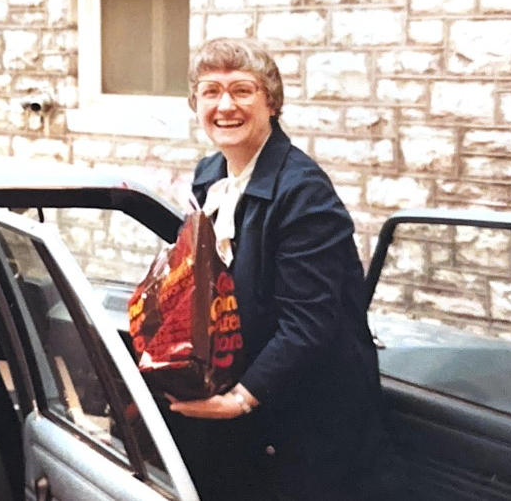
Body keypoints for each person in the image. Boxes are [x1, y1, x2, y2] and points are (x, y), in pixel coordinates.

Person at [164, 37, 400, 501]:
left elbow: (308, 323)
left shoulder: (303, 192)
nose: (225, 105)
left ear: (271, 102)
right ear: (196, 104)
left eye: (242, 90)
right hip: (252, 406)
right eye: (210, 91)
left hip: (308, 421)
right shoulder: (210, 174)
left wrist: (237, 400)